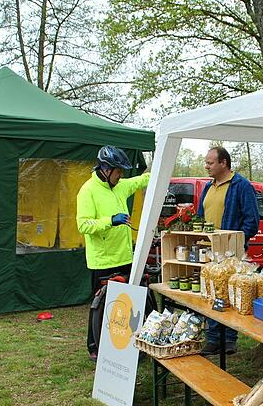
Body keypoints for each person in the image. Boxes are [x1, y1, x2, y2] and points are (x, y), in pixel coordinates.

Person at [76, 145, 149, 362]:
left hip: (125, 257)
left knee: (126, 304)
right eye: (118, 171)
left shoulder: (120, 185)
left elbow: (139, 181)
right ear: (106, 170)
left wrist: (162, 171)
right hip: (103, 261)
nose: (121, 175)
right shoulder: (88, 191)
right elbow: (83, 225)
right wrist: (110, 221)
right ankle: (95, 346)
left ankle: (124, 343)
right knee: (101, 306)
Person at [197, 146, 259, 356]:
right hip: (209, 251)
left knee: (231, 293)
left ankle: (229, 339)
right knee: (213, 293)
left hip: (231, 253)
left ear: (224, 163)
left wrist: (236, 242)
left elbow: (252, 220)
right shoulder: (208, 187)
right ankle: (213, 339)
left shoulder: (240, 185)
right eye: (206, 162)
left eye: (210, 162)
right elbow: (200, 217)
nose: (206, 166)